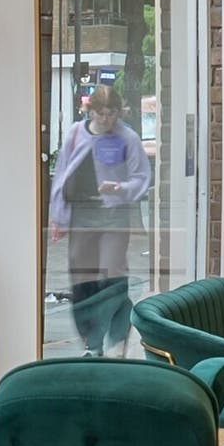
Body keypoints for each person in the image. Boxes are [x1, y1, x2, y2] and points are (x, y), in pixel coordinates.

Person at [45, 79, 151, 356]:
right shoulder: (76, 134)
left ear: (119, 112)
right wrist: (59, 217)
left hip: (113, 214)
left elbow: (141, 176)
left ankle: (117, 336)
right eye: (100, 113)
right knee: (83, 282)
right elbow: (61, 176)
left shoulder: (128, 138)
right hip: (82, 214)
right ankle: (92, 343)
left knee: (112, 275)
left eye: (111, 113)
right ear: (90, 112)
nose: (105, 119)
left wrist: (121, 189)